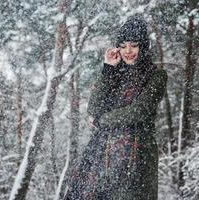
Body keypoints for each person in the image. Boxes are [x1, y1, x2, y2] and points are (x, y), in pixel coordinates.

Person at [64, 15, 167, 200]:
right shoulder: (114, 74)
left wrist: (102, 120)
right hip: (102, 152)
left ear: (143, 45)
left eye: (134, 45)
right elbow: (93, 107)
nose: (128, 51)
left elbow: (138, 111)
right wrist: (108, 69)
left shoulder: (156, 76)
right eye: (123, 45)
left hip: (136, 154)